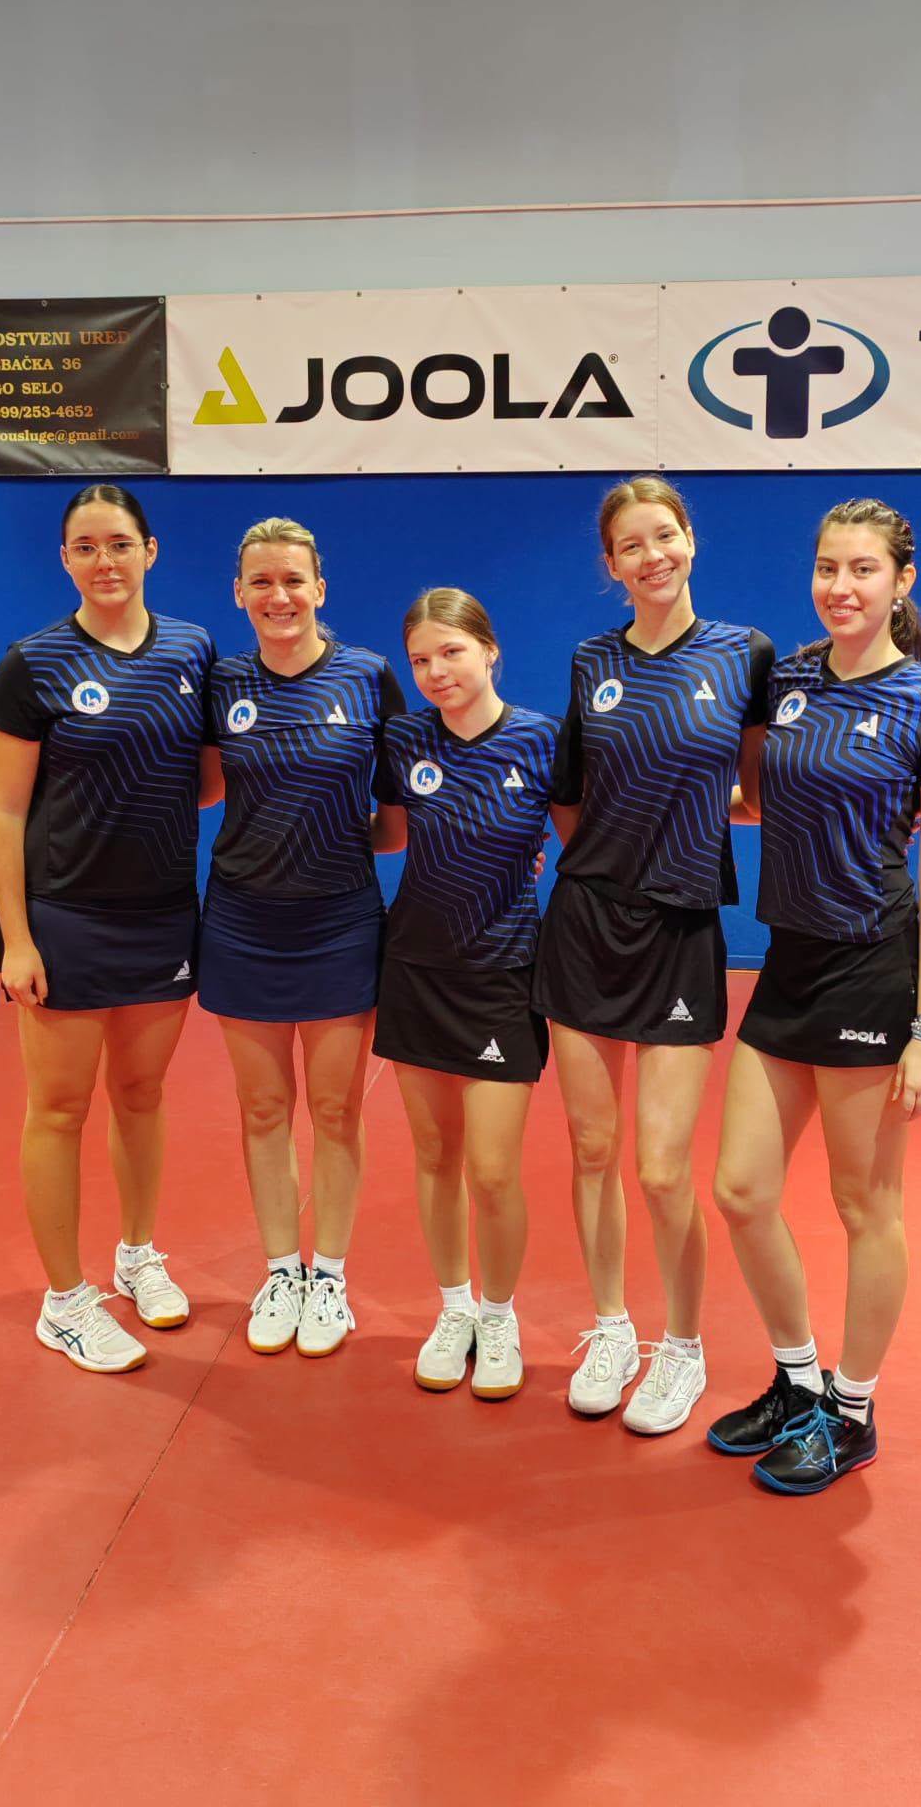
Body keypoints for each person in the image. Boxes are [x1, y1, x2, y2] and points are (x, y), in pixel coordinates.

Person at [707, 496, 921, 1493]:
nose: (840, 586)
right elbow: (757, 800)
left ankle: (852, 1410)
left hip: (872, 967)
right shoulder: (787, 681)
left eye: (863, 569)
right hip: (788, 961)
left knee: (866, 1204)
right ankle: (795, 1381)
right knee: (741, 1190)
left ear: (902, 582)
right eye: (827, 567)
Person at [533, 477, 771, 1434]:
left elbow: (761, 790)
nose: (652, 557)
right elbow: (569, 794)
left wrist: (690, 826)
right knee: (592, 1150)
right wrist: (612, 859)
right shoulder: (593, 660)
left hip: (679, 931)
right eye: (631, 546)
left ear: (690, 540)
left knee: (664, 1169)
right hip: (587, 924)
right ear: (611, 565)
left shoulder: (744, 654)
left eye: (664, 536)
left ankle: (683, 1345)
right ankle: (611, 1328)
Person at [0, 483, 214, 1374]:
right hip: (67, 919)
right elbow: (4, 810)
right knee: (59, 1108)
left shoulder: (192, 649)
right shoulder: (33, 663)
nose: (104, 561)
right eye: (86, 547)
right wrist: (16, 938)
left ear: (150, 551)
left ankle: (137, 1254)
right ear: (66, 560)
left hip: (163, 914)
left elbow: (205, 778)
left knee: (143, 1095)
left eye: (119, 544)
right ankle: (65, 1300)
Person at [197, 518, 406, 1359]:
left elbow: (398, 814)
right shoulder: (222, 682)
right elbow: (202, 788)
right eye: (261, 582)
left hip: (338, 922)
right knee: (262, 1107)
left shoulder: (367, 676)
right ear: (239, 593)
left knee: (335, 1108)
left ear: (320, 588)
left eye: (293, 580)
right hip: (243, 921)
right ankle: (281, 1272)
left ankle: (331, 1277)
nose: (278, 596)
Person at [373, 589, 558, 1401]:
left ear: (490, 649)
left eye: (451, 651)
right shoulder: (404, 740)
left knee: (491, 1168)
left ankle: (499, 1313)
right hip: (416, 968)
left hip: (503, 973)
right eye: (420, 659)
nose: (435, 671)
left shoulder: (542, 739)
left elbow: (596, 833)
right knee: (434, 1155)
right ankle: (453, 1309)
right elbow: (387, 833)